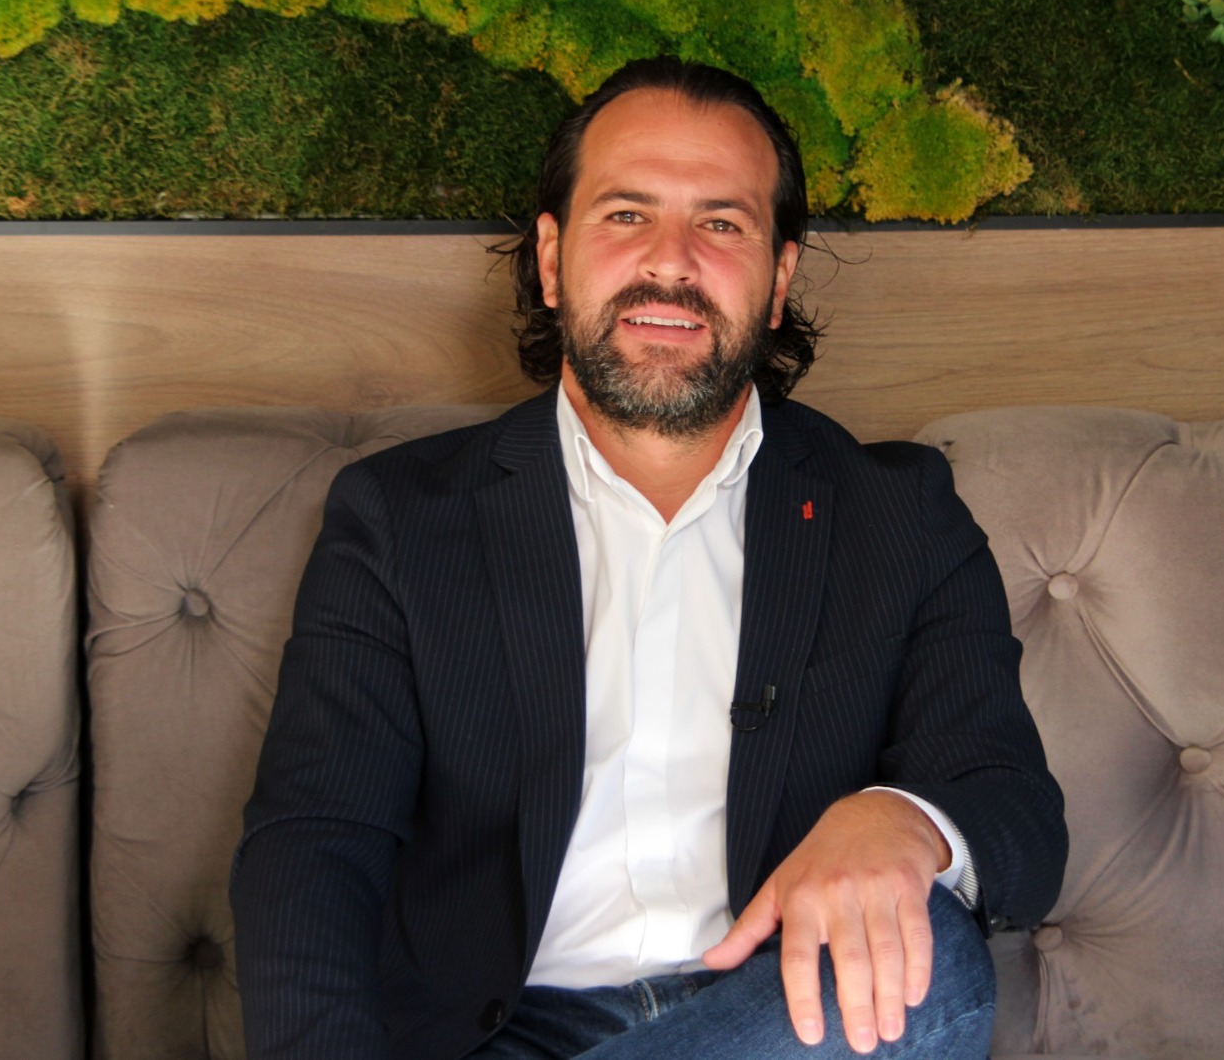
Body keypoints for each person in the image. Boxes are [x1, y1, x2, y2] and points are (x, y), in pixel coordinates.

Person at [231, 57, 1067, 1059]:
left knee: (928, 963)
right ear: (552, 261)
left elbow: (1018, 818)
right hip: (496, 1034)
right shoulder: (398, 517)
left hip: (785, 1020)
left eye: (722, 223)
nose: (671, 261)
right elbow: (314, 842)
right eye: (626, 214)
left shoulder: (901, 512)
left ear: (777, 280)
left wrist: (904, 822)